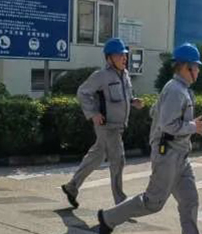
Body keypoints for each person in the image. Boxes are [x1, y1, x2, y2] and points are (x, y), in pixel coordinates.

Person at [96, 43, 202, 234]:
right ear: (186, 68)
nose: (199, 71)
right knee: (153, 202)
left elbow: (155, 113)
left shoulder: (180, 89)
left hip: (180, 156)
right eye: (196, 67)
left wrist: (185, 125)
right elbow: (167, 124)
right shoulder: (175, 90)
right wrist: (193, 127)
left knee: (190, 200)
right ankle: (108, 218)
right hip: (167, 155)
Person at [61, 38, 143, 209]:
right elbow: (83, 92)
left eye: (124, 55)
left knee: (96, 156)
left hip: (117, 126)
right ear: (109, 58)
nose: (124, 58)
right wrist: (93, 114)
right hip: (107, 126)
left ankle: (72, 187)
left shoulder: (125, 75)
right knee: (118, 159)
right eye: (119, 55)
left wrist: (133, 101)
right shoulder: (101, 76)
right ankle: (121, 203)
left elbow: (124, 97)